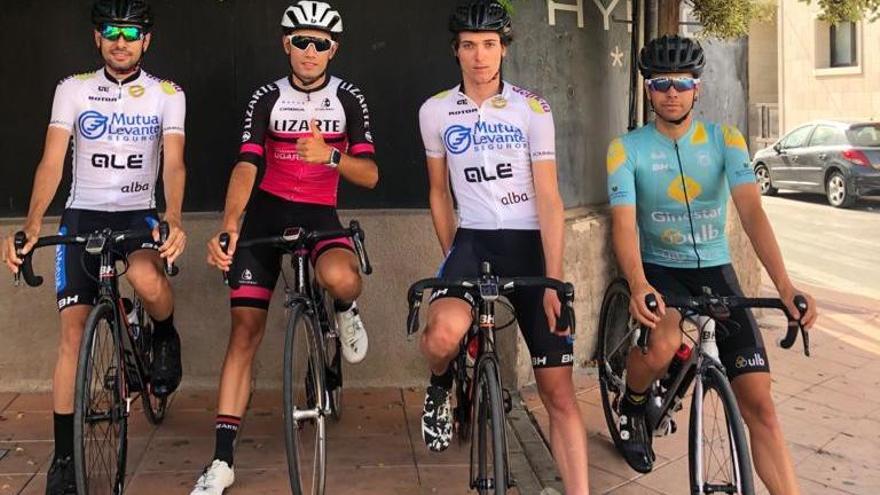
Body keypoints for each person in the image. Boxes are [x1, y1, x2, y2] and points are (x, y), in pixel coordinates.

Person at [607, 34, 818, 494]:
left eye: (682, 84)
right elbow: (624, 225)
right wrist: (638, 281)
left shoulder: (726, 140)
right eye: (661, 83)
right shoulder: (627, 148)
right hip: (660, 267)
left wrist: (785, 286)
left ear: (697, 88)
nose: (671, 92)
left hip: (716, 270)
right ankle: (632, 400)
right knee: (661, 346)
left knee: (760, 402)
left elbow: (751, 212)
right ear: (648, 89)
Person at [192, 1, 378, 493]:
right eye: (301, 41)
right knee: (244, 333)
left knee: (340, 276)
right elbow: (247, 163)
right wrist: (230, 223)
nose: (310, 50)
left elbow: (371, 174)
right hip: (267, 214)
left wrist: (331, 155)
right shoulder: (267, 97)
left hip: (320, 212)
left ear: (333, 49)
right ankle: (222, 461)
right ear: (286, 45)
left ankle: (345, 308)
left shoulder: (349, 97)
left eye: (320, 43)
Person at [1, 1, 187, 493]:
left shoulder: (166, 94)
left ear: (146, 40)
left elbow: (175, 164)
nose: (120, 40)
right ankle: (64, 458)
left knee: (147, 277)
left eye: (131, 32)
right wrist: (34, 223)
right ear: (97, 38)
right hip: (83, 213)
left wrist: (171, 218)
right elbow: (51, 160)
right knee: (72, 334)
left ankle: (163, 334)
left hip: (138, 212)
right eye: (110, 31)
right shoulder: (74, 89)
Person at [416, 1, 590, 492]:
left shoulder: (532, 109)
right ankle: (440, 382)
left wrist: (554, 278)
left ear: (504, 49)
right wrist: (453, 257)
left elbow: (550, 197)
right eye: (469, 46)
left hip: (529, 243)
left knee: (558, 392)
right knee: (440, 338)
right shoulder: (434, 110)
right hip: (471, 240)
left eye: (489, 45)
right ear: (456, 51)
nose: (479, 56)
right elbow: (437, 191)